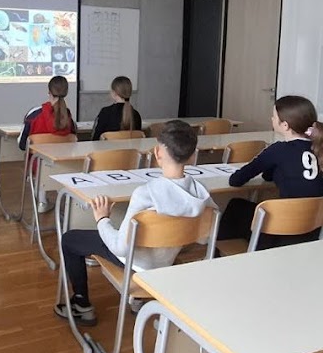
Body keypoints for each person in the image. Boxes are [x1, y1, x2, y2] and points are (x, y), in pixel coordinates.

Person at [55, 120, 215, 325]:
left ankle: (81, 305)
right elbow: (203, 239)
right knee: (134, 233)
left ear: (157, 153)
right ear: (193, 155)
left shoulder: (144, 194)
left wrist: (102, 219)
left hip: (136, 263)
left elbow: (120, 248)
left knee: (70, 239)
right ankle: (138, 300)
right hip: (166, 261)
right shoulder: (202, 195)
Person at [216, 95, 323, 248]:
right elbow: (269, 176)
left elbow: (236, 180)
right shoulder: (321, 149)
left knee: (236, 205)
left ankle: (217, 250)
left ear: (285, 125)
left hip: (282, 236)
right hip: (313, 232)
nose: (272, 119)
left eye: (274, 116)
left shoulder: (277, 150)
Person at [18, 75, 76, 150]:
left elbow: (22, 145)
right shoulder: (69, 120)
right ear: (66, 92)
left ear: (49, 92)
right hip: (64, 157)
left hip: (38, 158)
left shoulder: (34, 115)